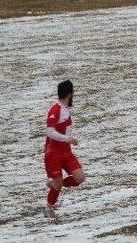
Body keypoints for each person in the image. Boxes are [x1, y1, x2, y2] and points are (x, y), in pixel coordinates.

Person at [44, 80, 86, 218]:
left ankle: (56, 184)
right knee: (58, 184)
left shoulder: (66, 110)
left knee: (80, 178)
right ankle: (48, 208)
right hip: (54, 154)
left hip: (66, 153)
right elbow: (49, 131)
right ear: (69, 93)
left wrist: (71, 139)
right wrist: (66, 139)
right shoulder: (55, 110)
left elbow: (66, 131)